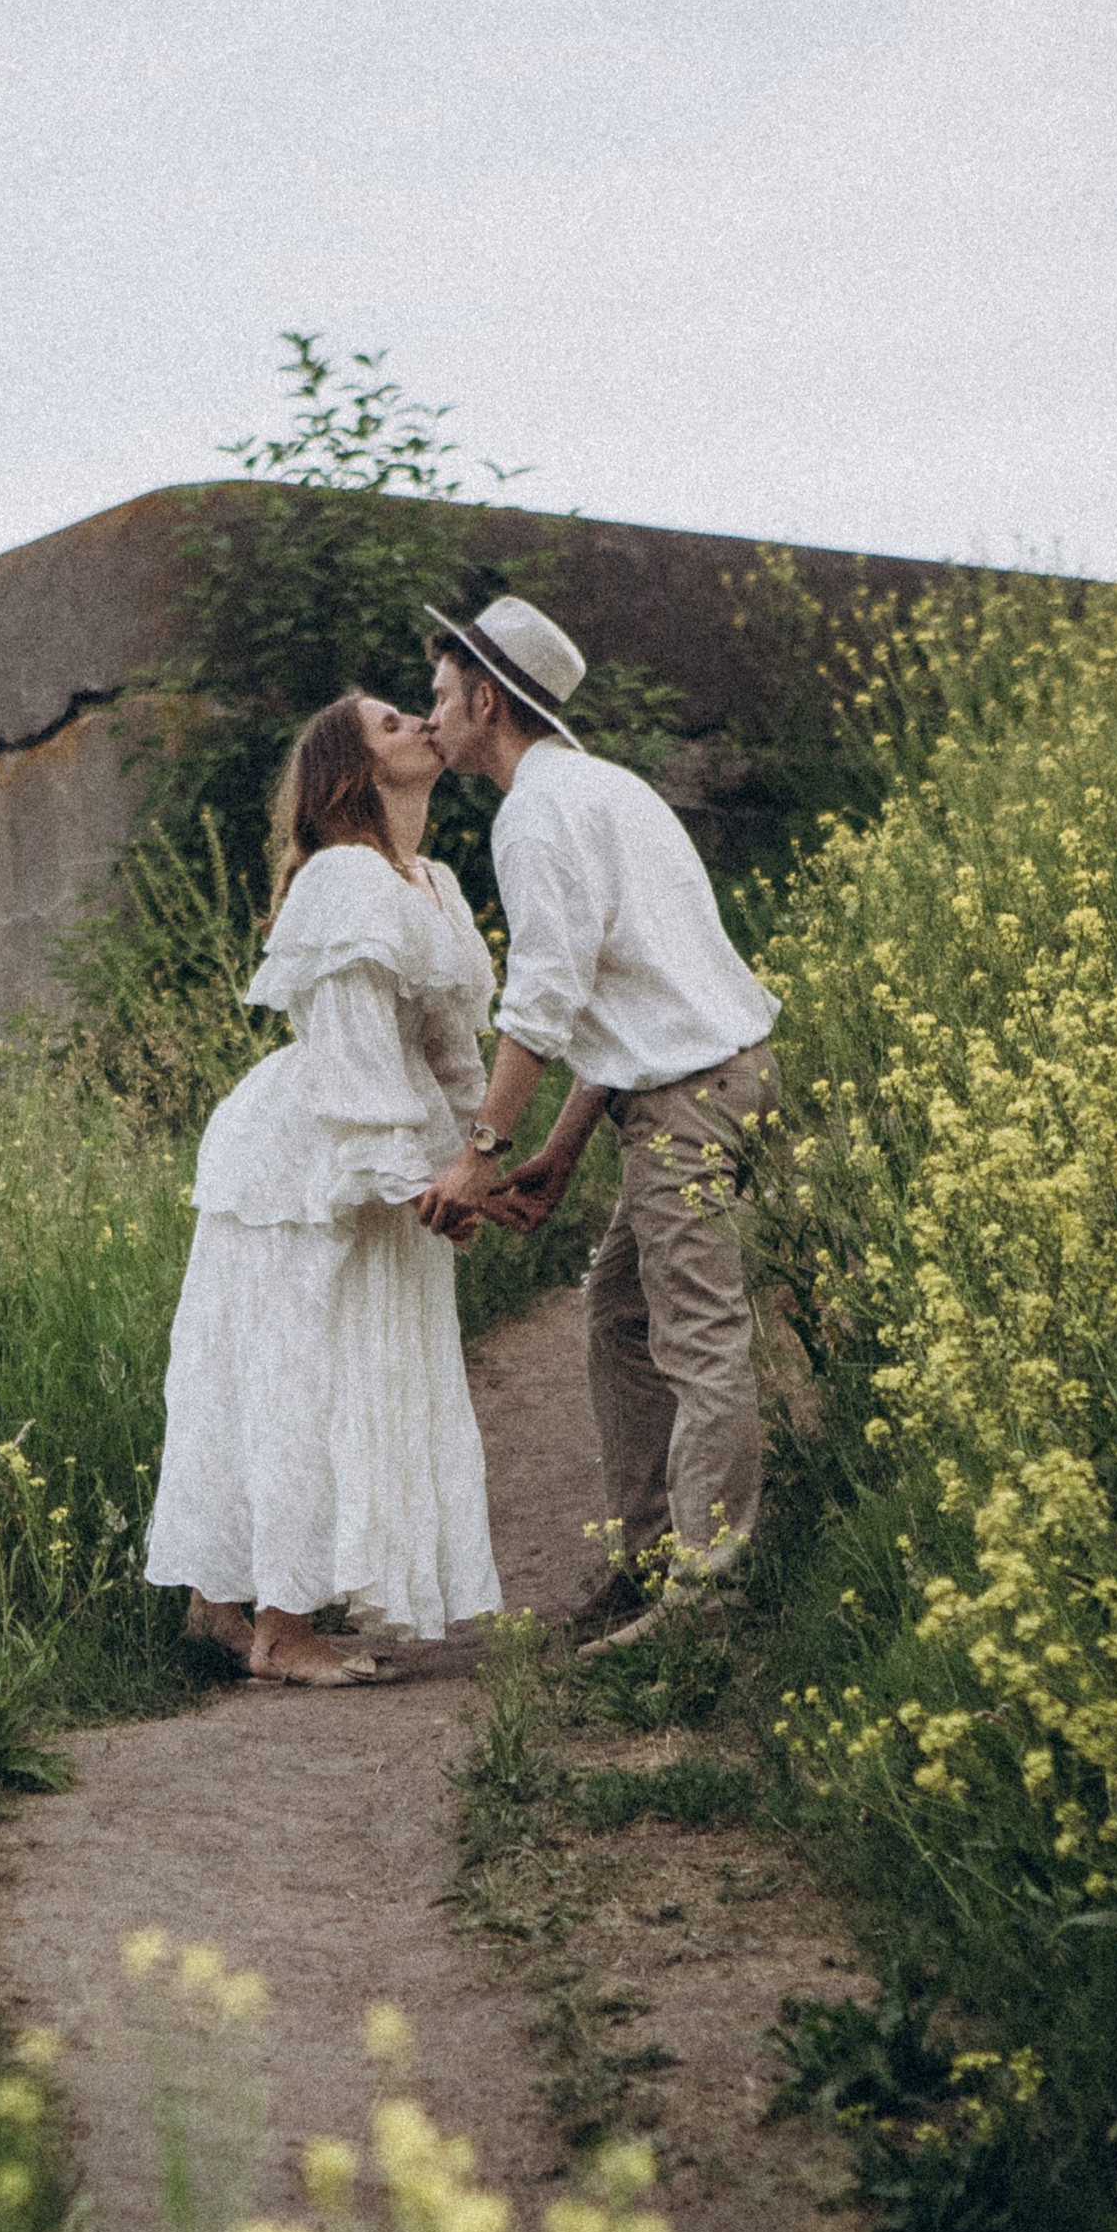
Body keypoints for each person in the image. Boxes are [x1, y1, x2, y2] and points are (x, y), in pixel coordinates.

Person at [414, 593, 780, 1647]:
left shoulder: (532, 813)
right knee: (619, 1311)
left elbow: (545, 1000)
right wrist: (562, 1151)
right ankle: (654, 1560)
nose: (430, 717)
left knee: (698, 1335)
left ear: (486, 701)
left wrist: (479, 1154)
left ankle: (704, 1600)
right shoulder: (606, 790)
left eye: (440, 698)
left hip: (689, 1100)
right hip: (709, 1076)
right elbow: (624, 998)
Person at [143, 690, 503, 1686]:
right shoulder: (344, 877)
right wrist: (415, 1184)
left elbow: (446, 1043)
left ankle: (217, 1606)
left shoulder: (429, 879)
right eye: (391, 725)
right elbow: (350, 1052)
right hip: (312, 1155)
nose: (419, 726)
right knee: (297, 1369)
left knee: (306, 1365)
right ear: (353, 769)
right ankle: (282, 1630)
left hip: (377, 1139)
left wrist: (476, 1157)